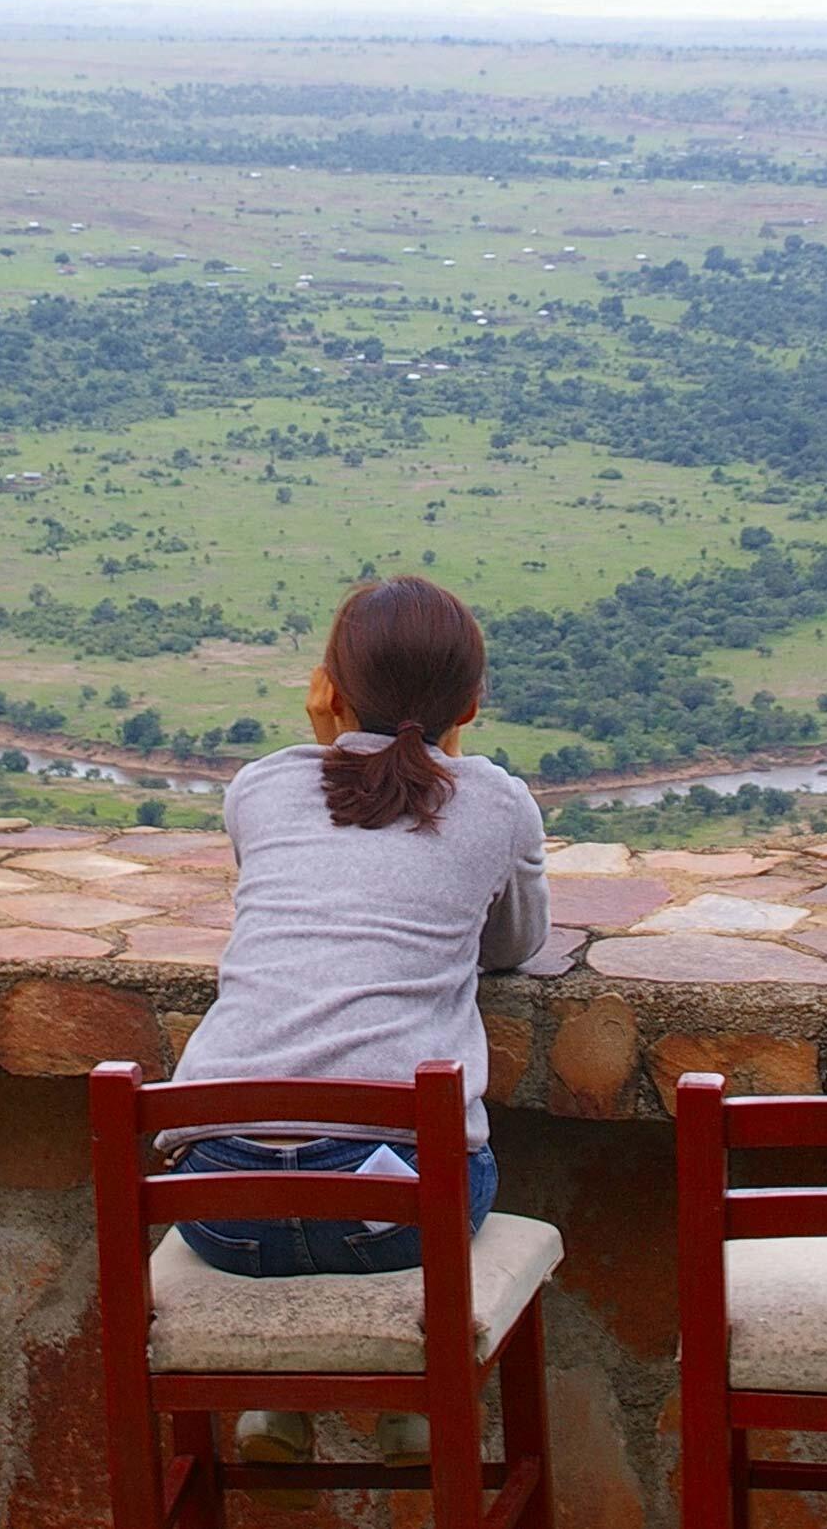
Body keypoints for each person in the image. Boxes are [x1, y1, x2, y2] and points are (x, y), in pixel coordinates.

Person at [158, 574, 550, 1473]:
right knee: (420, 1183)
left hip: (221, 1208)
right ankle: (409, 1401)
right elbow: (514, 947)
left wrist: (331, 731)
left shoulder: (260, 788)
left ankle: (282, 1397)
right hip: (397, 1220)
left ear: (328, 691)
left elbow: (318, 877)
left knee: (290, 1198)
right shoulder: (496, 804)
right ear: (472, 704)